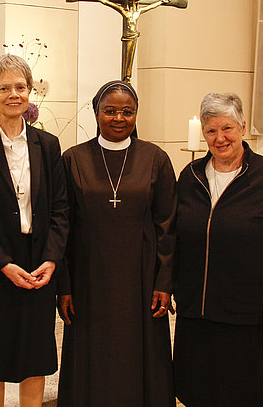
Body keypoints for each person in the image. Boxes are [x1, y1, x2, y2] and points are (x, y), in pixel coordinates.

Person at [172, 93, 263, 406]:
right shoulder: (190, 177)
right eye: (211, 131)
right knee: (197, 390)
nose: (220, 138)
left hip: (246, 313)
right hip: (196, 311)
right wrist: (172, 285)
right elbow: (173, 236)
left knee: (241, 393)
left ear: (242, 127)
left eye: (227, 128)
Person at [57, 80, 177, 407]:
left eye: (128, 111)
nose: (119, 118)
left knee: (139, 356)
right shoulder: (73, 159)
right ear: (96, 112)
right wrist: (64, 286)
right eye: (110, 111)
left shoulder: (155, 158)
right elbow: (62, 227)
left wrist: (164, 282)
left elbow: (168, 226)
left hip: (142, 279)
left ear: (137, 114)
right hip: (88, 279)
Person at [0, 54, 69, 407]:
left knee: (35, 356)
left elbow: (61, 210)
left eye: (20, 87)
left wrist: (51, 258)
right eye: (4, 88)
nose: (14, 94)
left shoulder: (48, 145)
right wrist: (3, 264)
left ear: (30, 91)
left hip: (38, 266)